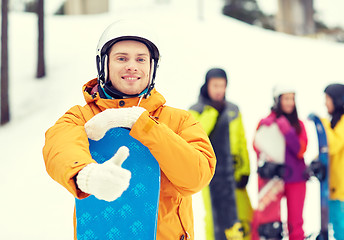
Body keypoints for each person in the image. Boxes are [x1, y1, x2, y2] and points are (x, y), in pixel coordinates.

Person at [42, 20, 216, 240]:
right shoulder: (81, 117)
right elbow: (59, 146)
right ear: (103, 64)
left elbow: (196, 177)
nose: (132, 66)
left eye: (141, 59)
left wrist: (143, 124)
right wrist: (86, 175)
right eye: (121, 58)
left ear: (152, 67)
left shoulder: (179, 121)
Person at [189, 68, 252, 240]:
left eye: (222, 86)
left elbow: (241, 141)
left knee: (238, 216)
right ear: (207, 85)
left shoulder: (233, 109)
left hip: (232, 172)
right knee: (214, 217)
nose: (219, 90)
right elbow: (196, 135)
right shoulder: (197, 110)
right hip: (210, 174)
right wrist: (212, 113)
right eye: (215, 85)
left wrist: (245, 169)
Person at [251, 85, 308, 240]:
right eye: (286, 99)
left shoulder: (299, 125)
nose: (290, 103)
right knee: (267, 223)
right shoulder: (266, 123)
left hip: (296, 179)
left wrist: (287, 131)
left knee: (295, 224)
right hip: (273, 179)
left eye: (292, 99)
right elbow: (256, 146)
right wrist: (268, 128)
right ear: (278, 100)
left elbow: (300, 150)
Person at [322, 83, 344, 240]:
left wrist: (321, 125)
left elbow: (334, 145)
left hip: (341, 187)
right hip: (334, 185)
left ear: (336, 101)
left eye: (327, 99)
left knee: (342, 230)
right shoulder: (337, 121)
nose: (325, 103)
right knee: (337, 229)